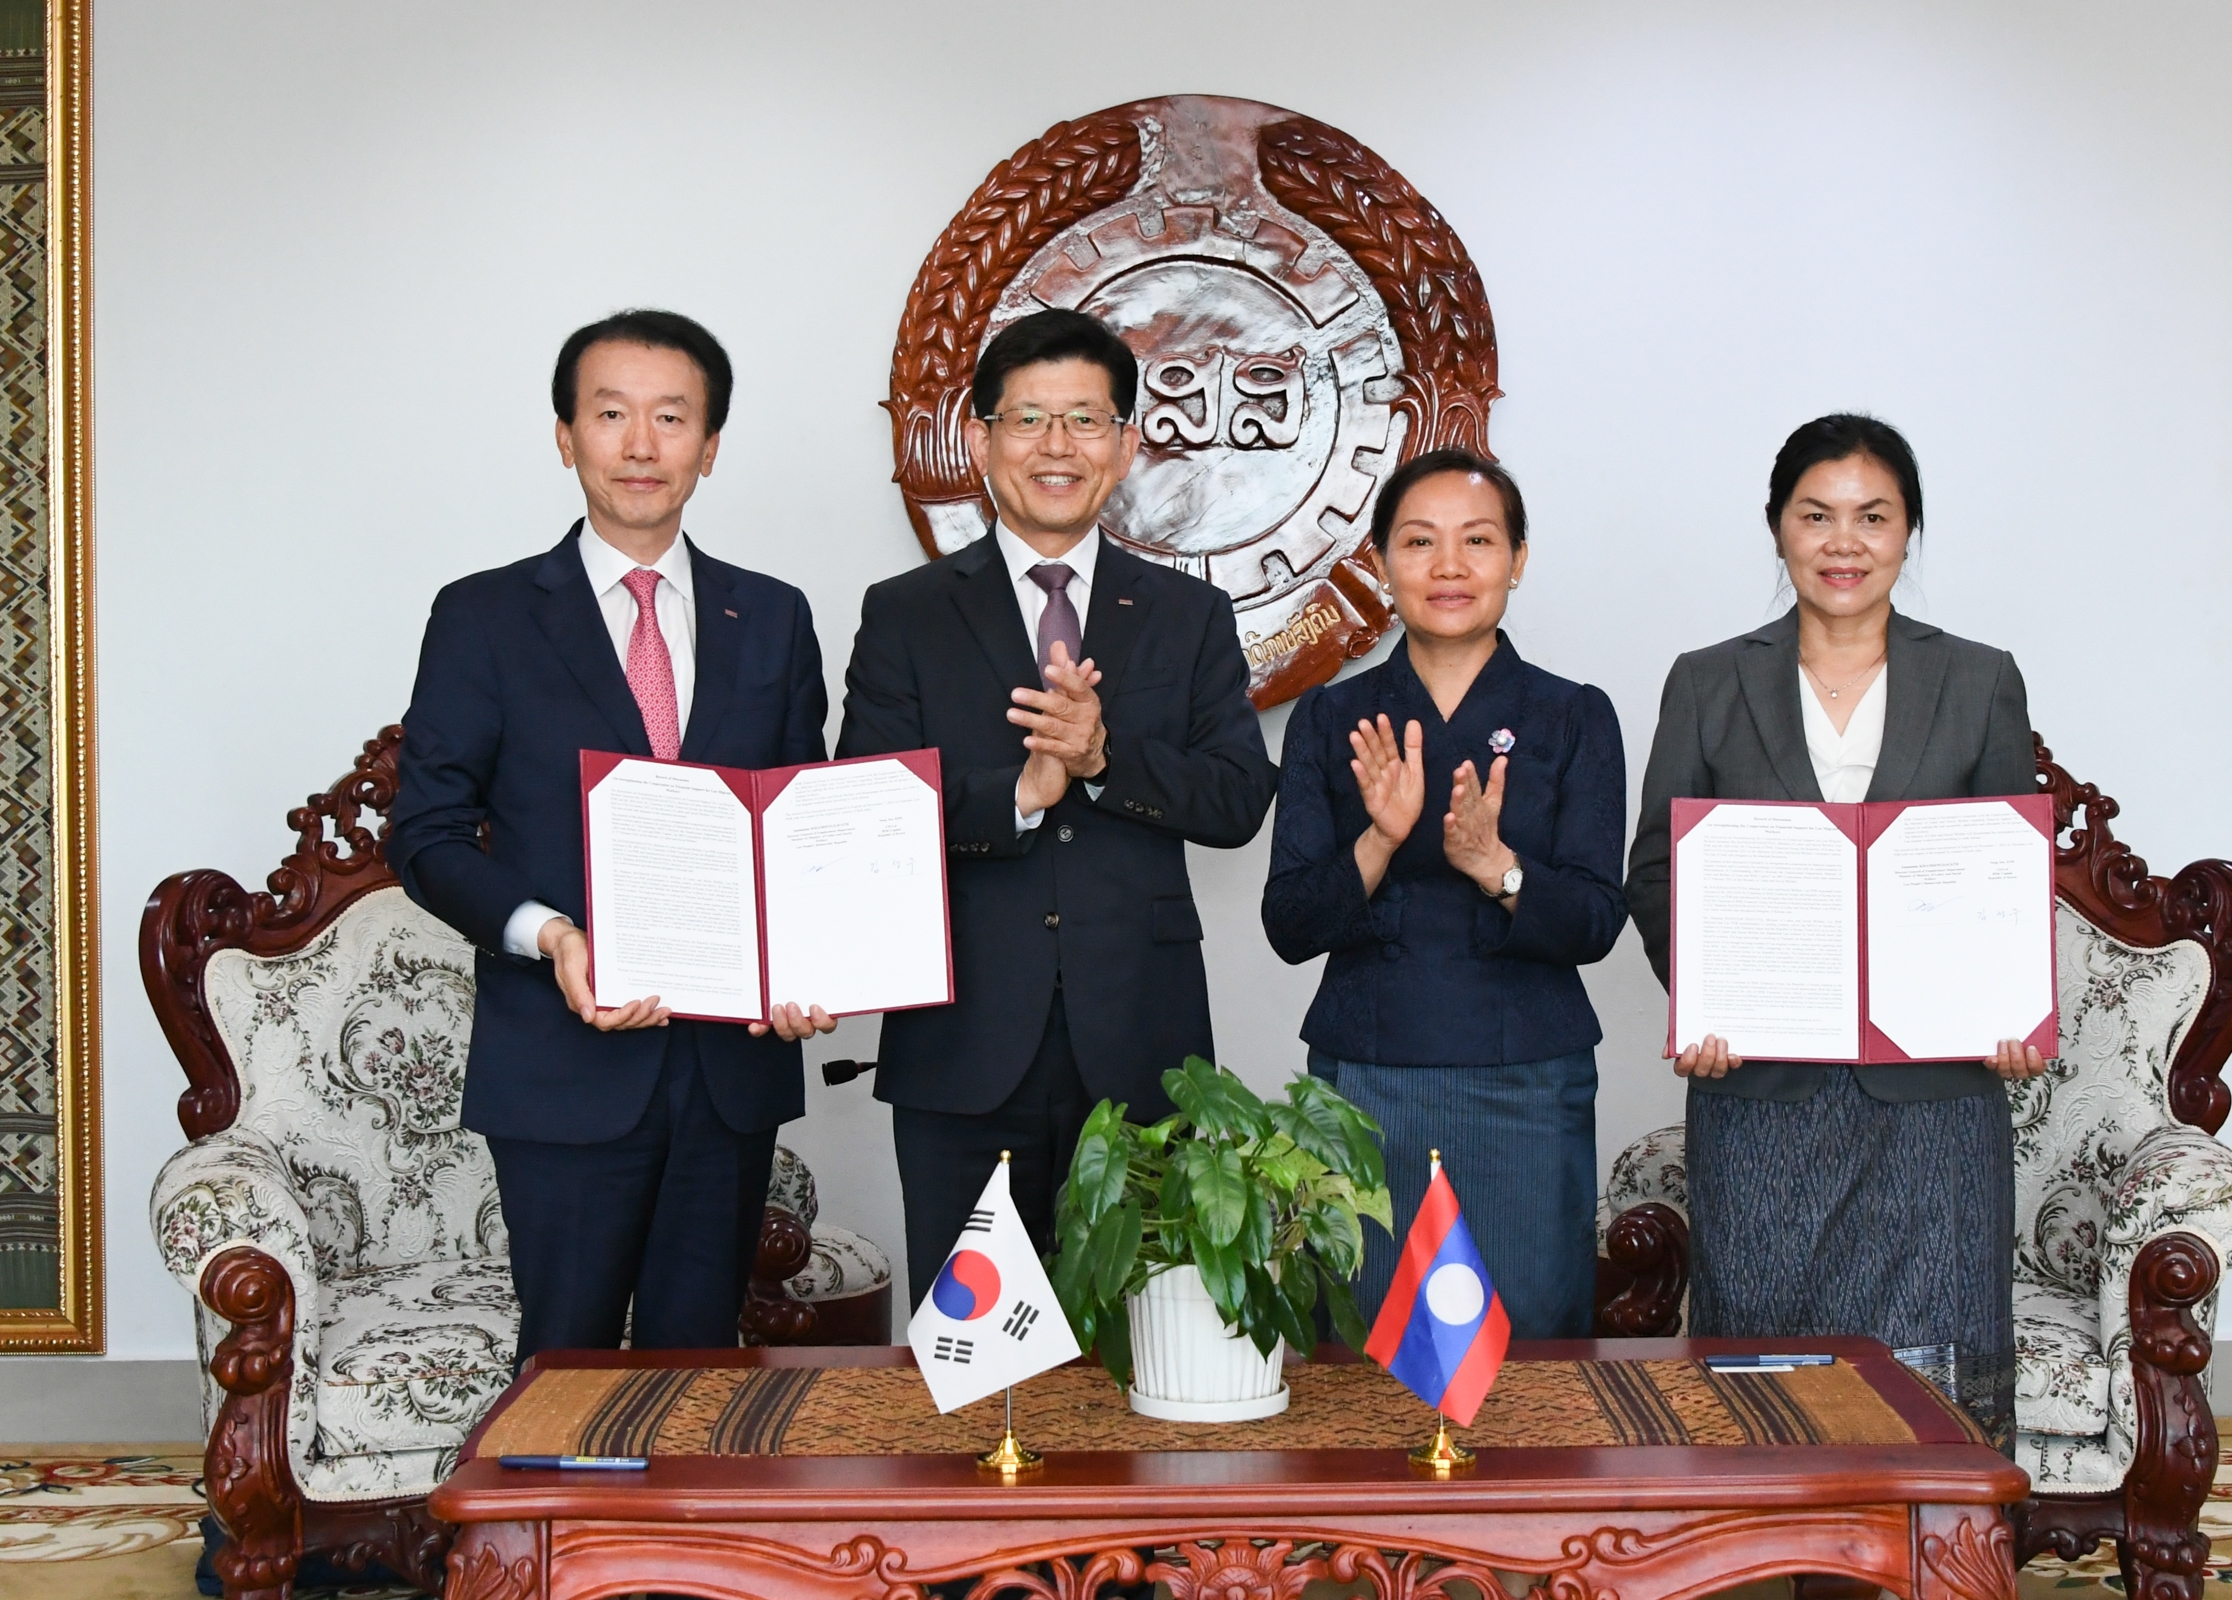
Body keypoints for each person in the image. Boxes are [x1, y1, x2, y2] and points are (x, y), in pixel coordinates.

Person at [387, 309, 835, 1364]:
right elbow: (427, 835)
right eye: (611, 414)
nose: (642, 444)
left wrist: (809, 959)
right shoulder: (484, 616)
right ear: (565, 436)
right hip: (562, 1062)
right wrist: (552, 937)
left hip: (729, 1069)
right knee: (565, 1366)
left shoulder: (772, 617)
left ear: (709, 446)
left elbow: (802, 828)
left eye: (671, 417)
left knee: (699, 1369)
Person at [838, 308, 1278, 1305]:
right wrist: (1021, 794)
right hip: (961, 1045)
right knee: (974, 1352)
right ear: (980, 439)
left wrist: (1104, 757)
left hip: (1143, 1047)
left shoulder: (1188, 615)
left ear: (1125, 445)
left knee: (1143, 1349)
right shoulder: (905, 613)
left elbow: (1238, 797)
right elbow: (867, 809)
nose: (1057, 446)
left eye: (1085, 420)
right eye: (1029, 419)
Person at [1623, 412, 2044, 1447]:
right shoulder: (1708, 679)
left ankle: (1929, 1537)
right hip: (1761, 1093)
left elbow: (2006, 869)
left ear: (1908, 532)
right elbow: (1657, 871)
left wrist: (2009, 1008)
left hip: (1935, 1104)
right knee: (1765, 1379)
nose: (1843, 542)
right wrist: (1704, 997)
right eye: (1816, 515)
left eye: (1872, 516)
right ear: (1778, 527)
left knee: (1932, 1385)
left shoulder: (1980, 677)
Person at [1261, 449, 1628, 1338]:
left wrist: (1495, 865)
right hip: (1365, 1081)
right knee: (1367, 1353)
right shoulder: (1331, 717)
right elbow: (1290, 924)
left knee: (1526, 1354)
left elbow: (1594, 921)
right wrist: (1381, 839)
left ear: (1518, 559)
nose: (1450, 566)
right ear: (1382, 563)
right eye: (1420, 542)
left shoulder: (1573, 715)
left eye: (1479, 540)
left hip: (1526, 1081)